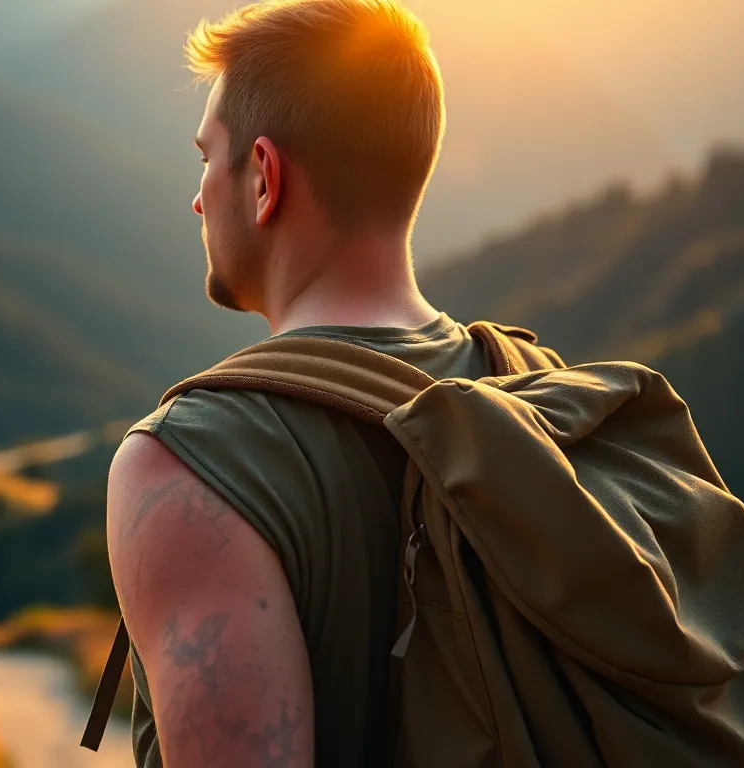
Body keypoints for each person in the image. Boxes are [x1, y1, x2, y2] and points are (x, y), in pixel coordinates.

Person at [105, 1, 465, 764]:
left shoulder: (193, 463)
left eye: (207, 157)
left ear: (265, 179)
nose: (198, 197)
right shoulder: (533, 392)